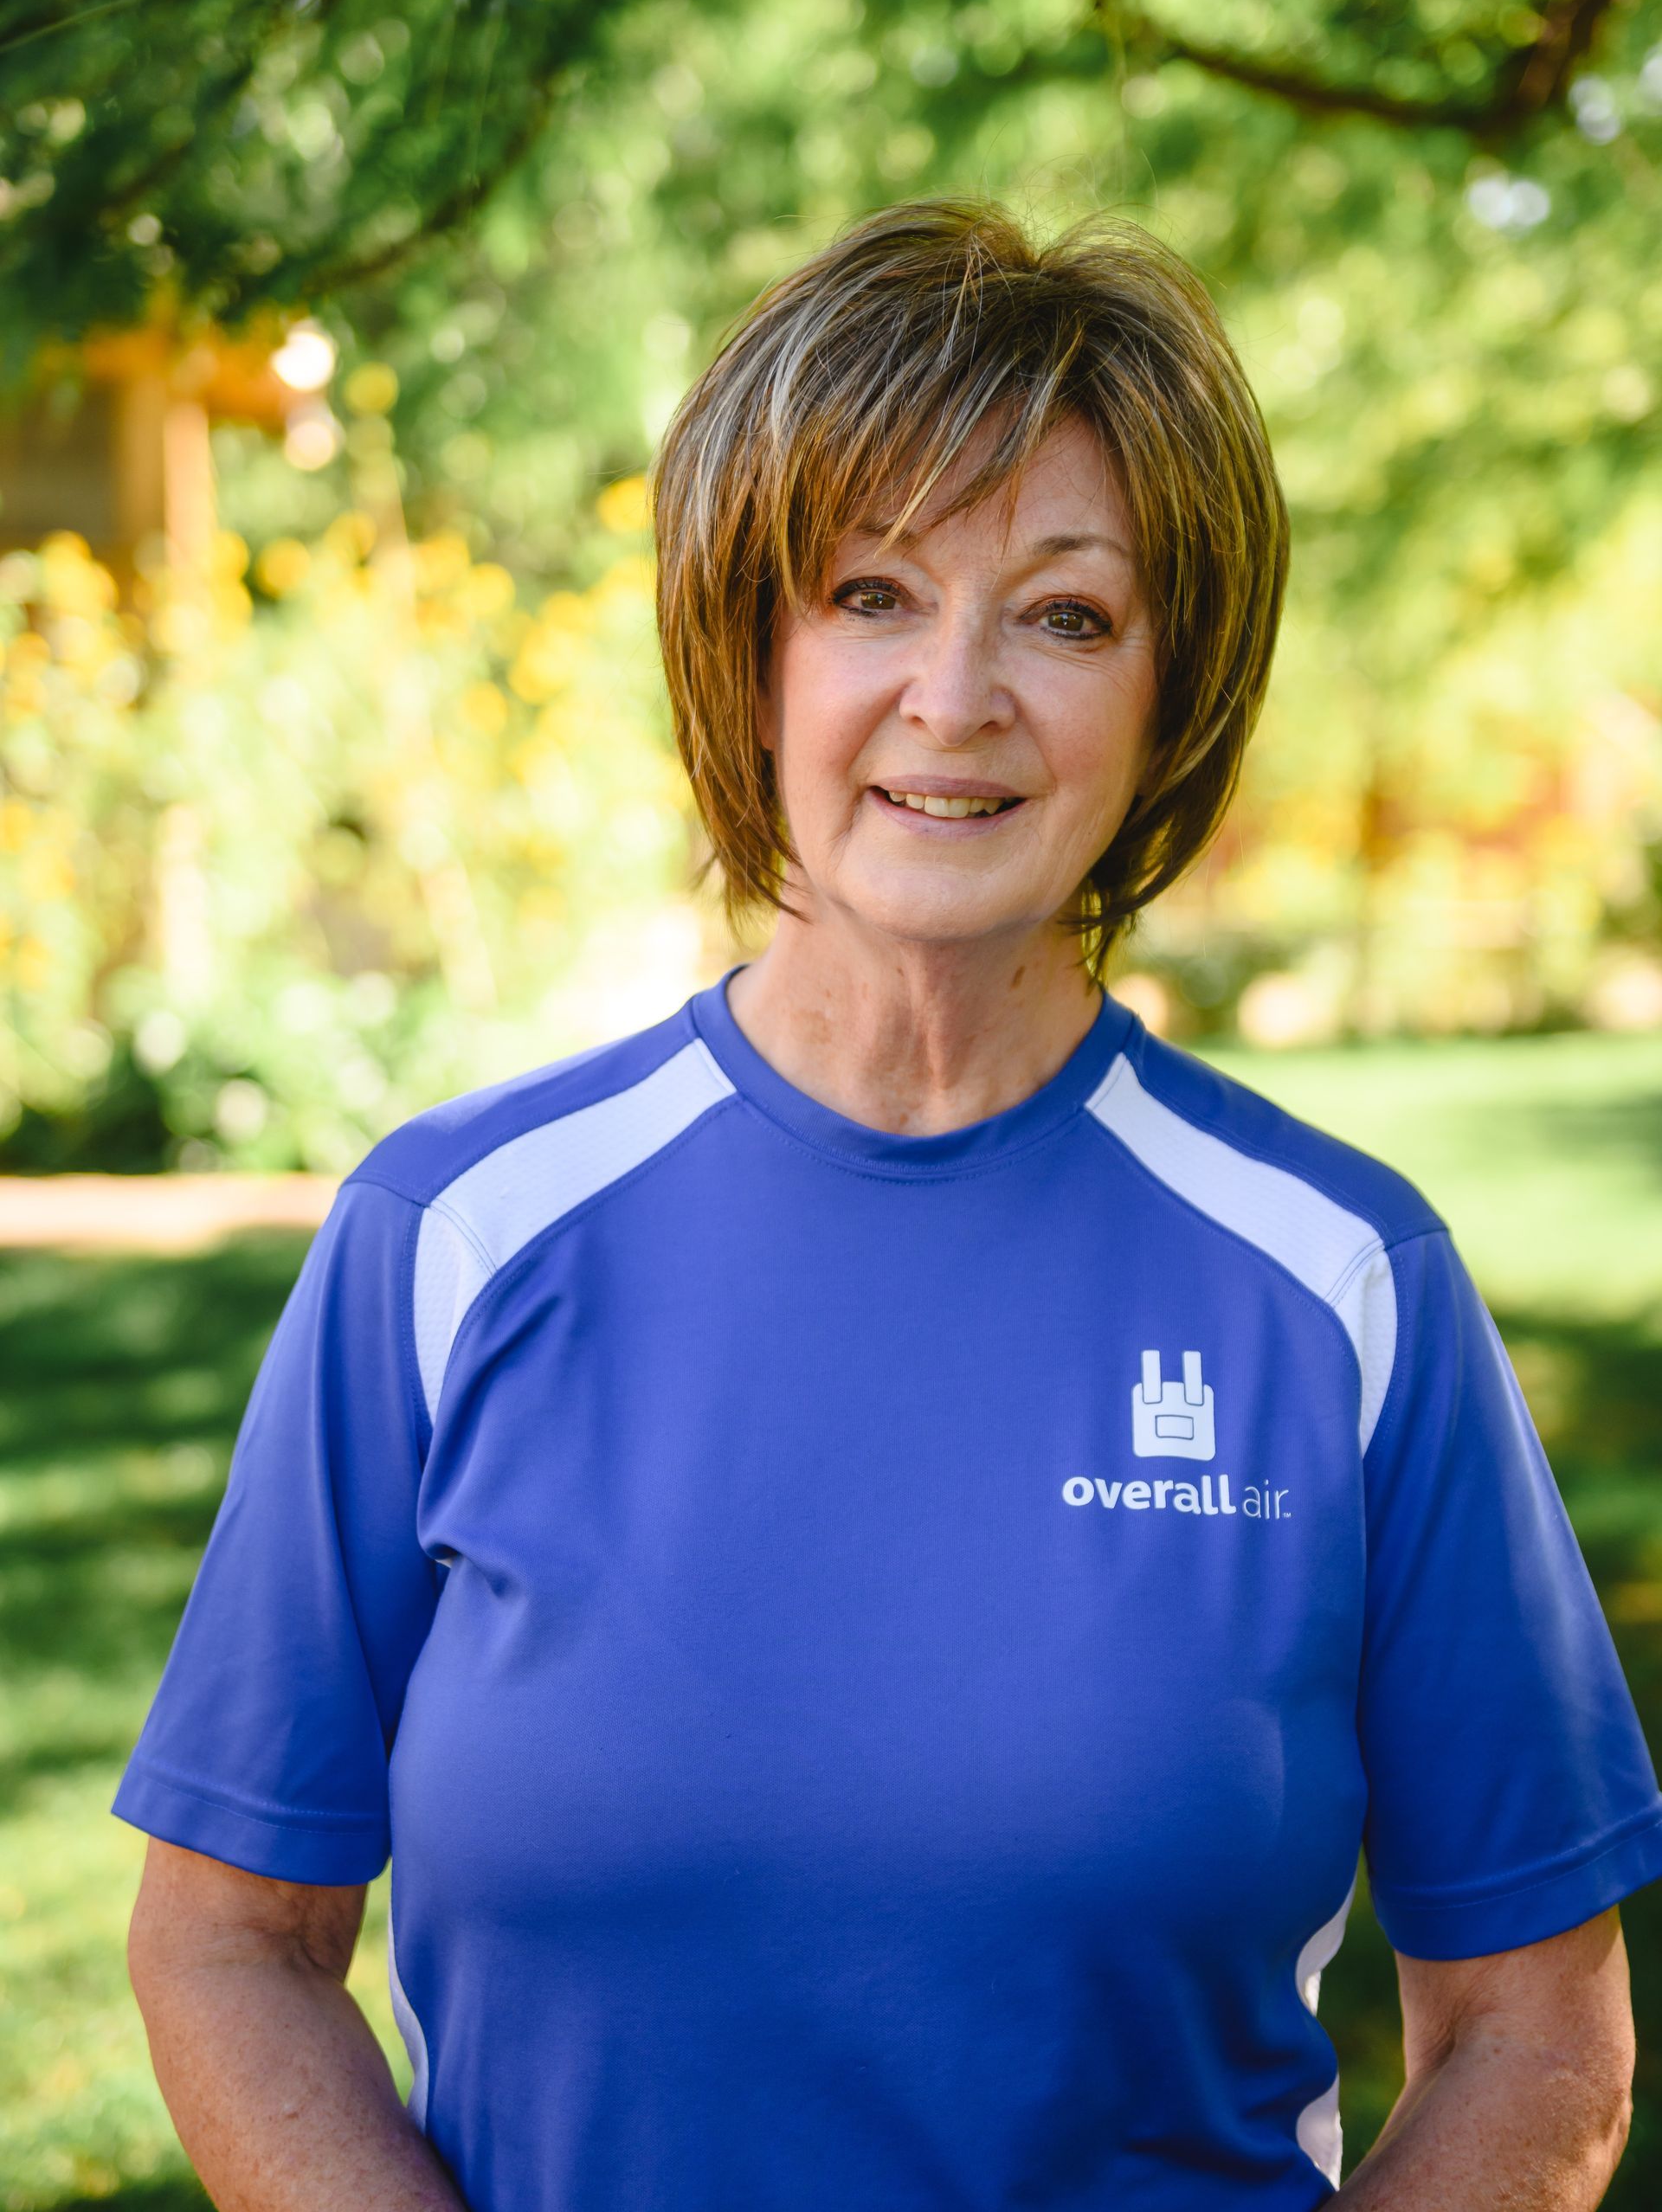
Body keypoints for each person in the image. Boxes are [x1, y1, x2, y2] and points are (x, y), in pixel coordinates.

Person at [114, 201, 1662, 2212]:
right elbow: (227, 1942)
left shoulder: (1345, 1286)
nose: (958, 696)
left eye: (1066, 612)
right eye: (869, 593)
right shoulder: (452, 1241)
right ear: (746, 650)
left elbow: (1542, 2034)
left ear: (1166, 688)